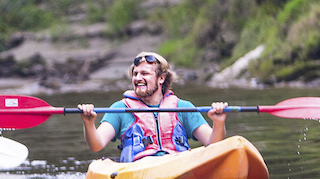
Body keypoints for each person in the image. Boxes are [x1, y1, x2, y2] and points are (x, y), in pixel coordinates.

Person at [78, 52, 229, 161]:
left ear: (161, 78)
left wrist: (218, 122)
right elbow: (96, 145)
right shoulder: (119, 109)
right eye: (135, 74)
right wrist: (89, 123)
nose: (138, 78)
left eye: (144, 73)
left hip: (178, 163)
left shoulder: (183, 107)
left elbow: (214, 145)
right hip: (139, 170)